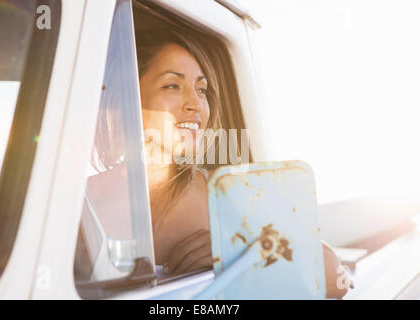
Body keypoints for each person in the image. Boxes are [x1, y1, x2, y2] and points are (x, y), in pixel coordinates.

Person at [88, 28, 349, 298]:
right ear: (127, 100)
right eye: (172, 85)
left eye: (201, 89)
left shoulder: (228, 193)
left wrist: (238, 253)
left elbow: (333, 277)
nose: (196, 104)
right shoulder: (81, 201)